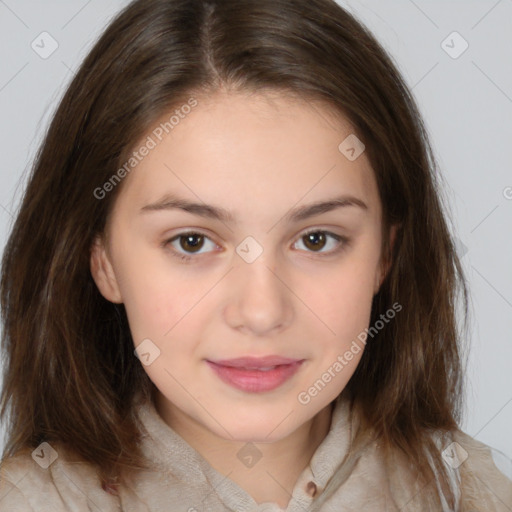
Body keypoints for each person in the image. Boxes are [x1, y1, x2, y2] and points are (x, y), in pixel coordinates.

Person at [0, 0, 511, 510]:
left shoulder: (476, 495)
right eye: (192, 241)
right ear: (103, 260)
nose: (261, 312)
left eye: (316, 239)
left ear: (385, 256)